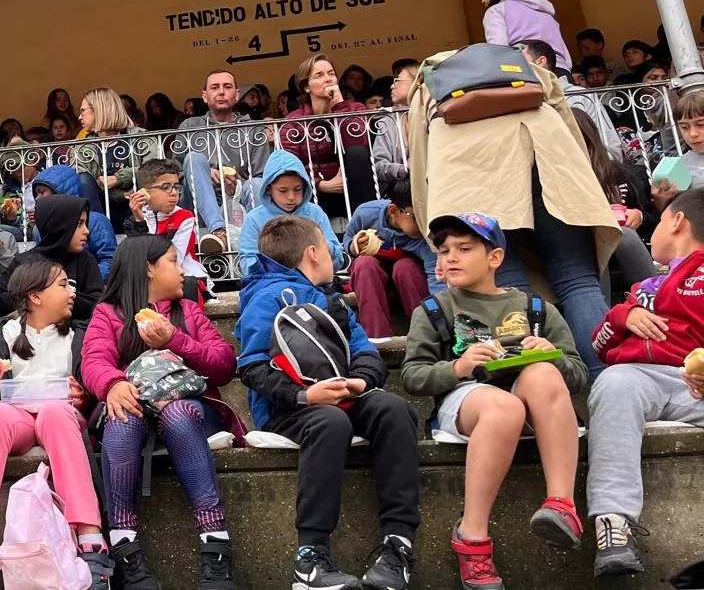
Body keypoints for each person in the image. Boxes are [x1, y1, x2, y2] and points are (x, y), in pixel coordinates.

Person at [400, 213, 585, 587]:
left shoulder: (536, 309)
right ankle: (472, 535)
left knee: (543, 373)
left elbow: (578, 376)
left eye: (464, 249)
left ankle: (561, 506)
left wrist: (553, 355)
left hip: (532, 406)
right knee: (504, 407)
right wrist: (457, 367)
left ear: (495, 258)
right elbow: (412, 375)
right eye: (444, 250)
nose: (450, 257)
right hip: (465, 404)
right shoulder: (435, 310)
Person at [409, 51, 619, 379]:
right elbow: (567, 123)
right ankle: (609, 383)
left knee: (509, 288)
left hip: (471, 187)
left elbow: (422, 165)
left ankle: (532, 395)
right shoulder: (525, 69)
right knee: (578, 281)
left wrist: (434, 233)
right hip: (549, 168)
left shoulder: (429, 85)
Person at [236, 216, 420, 590]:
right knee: (330, 423)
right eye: (327, 244)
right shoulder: (265, 298)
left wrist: (361, 381)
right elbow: (252, 368)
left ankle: (398, 544)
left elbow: (364, 351)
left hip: (342, 398)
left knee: (394, 408)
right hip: (288, 409)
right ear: (313, 253)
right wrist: (304, 395)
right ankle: (311, 556)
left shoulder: (331, 300)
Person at [81, 236, 244, 590]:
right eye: (174, 260)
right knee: (122, 416)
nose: (182, 268)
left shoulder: (187, 310)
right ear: (149, 268)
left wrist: (174, 339)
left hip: (193, 408)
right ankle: (126, 548)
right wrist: (113, 384)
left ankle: (215, 546)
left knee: (177, 412)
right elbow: (93, 360)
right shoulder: (109, 314)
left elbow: (224, 365)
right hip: (135, 411)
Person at [0, 260, 111, 590]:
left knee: (54, 413)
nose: (71, 292)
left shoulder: (81, 333)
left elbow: (97, 382)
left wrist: (85, 395)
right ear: (35, 296)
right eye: (63, 285)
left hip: (62, 415)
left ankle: (91, 540)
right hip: (15, 415)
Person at [584, 188, 704, 577]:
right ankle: (614, 528)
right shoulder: (642, 289)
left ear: (676, 221)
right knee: (613, 384)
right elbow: (599, 345)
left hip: (696, 384)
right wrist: (622, 316)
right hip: (639, 377)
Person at [180, 70, 271, 253]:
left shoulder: (253, 128)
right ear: (205, 96)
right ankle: (219, 231)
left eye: (227, 87)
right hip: (198, 202)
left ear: (236, 95)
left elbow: (263, 176)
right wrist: (203, 172)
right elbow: (174, 172)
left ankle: (263, 241)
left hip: (240, 200)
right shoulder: (190, 126)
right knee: (194, 158)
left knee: (256, 183)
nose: (221, 92)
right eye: (215, 87)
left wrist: (238, 184)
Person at [570, 109, 658, 293]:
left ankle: (653, 299)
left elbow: (654, 220)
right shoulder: (551, 181)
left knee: (623, 234)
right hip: (579, 254)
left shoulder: (623, 174)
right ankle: (602, 316)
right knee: (602, 239)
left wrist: (639, 216)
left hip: (627, 251)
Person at [340, 180, 440, 339]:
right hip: (373, 270)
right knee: (364, 264)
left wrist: (440, 313)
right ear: (394, 211)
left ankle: (424, 334)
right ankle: (377, 338)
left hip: (408, 273)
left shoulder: (424, 238)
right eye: (415, 218)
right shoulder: (366, 213)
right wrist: (353, 246)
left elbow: (436, 276)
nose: (422, 224)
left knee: (405, 268)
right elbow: (347, 239)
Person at [280, 54, 374, 217]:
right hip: (313, 194)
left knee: (357, 153)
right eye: (319, 75)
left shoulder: (355, 109)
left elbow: (358, 146)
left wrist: (339, 106)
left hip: (353, 189)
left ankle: (367, 224)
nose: (328, 79)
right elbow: (287, 166)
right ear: (306, 87)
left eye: (331, 73)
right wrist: (321, 184)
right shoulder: (293, 121)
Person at [235, 149, 344, 276]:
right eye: (283, 190)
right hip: (273, 285)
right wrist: (272, 266)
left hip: (314, 285)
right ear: (268, 189)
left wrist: (322, 244)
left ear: (305, 186)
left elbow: (338, 260)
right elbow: (247, 262)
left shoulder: (315, 213)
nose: (291, 197)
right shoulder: (254, 219)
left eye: (298, 189)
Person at [12, 194, 105, 323]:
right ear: (59, 225)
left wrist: (58, 297)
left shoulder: (85, 260)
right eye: (79, 224)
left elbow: (99, 304)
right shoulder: (24, 262)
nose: (87, 231)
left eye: (85, 223)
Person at [522, 38, 623, 157]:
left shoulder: (580, 95)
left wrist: (604, 170)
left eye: (519, 60)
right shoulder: (523, 101)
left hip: (593, 170)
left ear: (540, 62)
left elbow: (609, 143)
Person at [124, 159, 208, 291]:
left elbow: (174, 260)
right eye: (165, 187)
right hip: (149, 282)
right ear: (144, 193)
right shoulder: (134, 220)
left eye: (176, 186)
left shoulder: (185, 217)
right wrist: (140, 222)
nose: (174, 192)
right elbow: (137, 259)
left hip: (184, 279)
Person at [31, 165, 117, 275]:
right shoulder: (38, 230)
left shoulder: (96, 221)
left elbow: (110, 261)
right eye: (36, 194)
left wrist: (83, 281)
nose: (37, 198)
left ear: (60, 192)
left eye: (42, 192)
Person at [480, 0, 572, 70]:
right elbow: (568, 60)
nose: (483, 0)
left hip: (528, 71)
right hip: (561, 72)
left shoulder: (497, 10)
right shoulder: (547, 13)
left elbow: (497, 50)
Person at [370, 60, 418, 189]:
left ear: (416, 83)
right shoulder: (387, 122)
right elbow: (378, 166)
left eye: (398, 81)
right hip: (400, 191)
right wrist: (403, 170)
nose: (392, 86)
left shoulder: (434, 116)